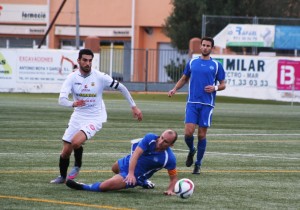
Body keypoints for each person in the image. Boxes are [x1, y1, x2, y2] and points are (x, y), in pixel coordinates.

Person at [50, 48, 143, 184]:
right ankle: (62, 177)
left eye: (90, 60)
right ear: (79, 61)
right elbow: (61, 99)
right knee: (65, 152)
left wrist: (134, 106)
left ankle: (77, 165)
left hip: (95, 117)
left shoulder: (100, 76)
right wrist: (73, 103)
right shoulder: (72, 77)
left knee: (76, 142)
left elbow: (121, 87)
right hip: (78, 115)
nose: (88, 63)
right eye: (85, 60)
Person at [168, 37, 226, 174]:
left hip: (207, 104)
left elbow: (223, 84)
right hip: (192, 103)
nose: (205, 47)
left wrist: (215, 88)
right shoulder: (192, 62)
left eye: (208, 46)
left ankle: (198, 164)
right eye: (203, 45)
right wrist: (174, 89)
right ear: (200, 47)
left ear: (211, 48)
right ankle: (191, 149)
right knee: (188, 132)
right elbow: (184, 79)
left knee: (201, 135)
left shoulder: (217, 65)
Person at [66, 129, 178, 195]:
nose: (161, 142)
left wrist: (170, 190)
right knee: (114, 168)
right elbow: (136, 154)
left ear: (171, 145)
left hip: (136, 176)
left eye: (165, 141)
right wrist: (130, 172)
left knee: (106, 186)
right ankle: (145, 182)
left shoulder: (169, 158)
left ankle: (83, 186)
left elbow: (173, 178)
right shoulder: (150, 138)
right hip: (128, 164)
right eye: (161, 137)